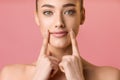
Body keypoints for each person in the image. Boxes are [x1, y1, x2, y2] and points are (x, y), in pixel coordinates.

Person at [0, 0, 120, 80]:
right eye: (48, 12)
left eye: (69, 12)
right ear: (37, 17)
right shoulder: (11, 75)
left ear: (82, 16)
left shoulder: (110, 76)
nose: (59, 23)